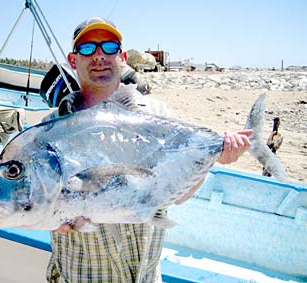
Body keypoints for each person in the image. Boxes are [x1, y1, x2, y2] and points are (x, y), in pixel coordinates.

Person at [45, 17, 252, 283]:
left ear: (122, 57)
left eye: (108, 47)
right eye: (87, 48)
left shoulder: (159, 115)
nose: (99, 56)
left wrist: (216, 156)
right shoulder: (52, 128)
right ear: (73, 60)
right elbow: (38, 200)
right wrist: (52, 218)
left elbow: (177, 196)